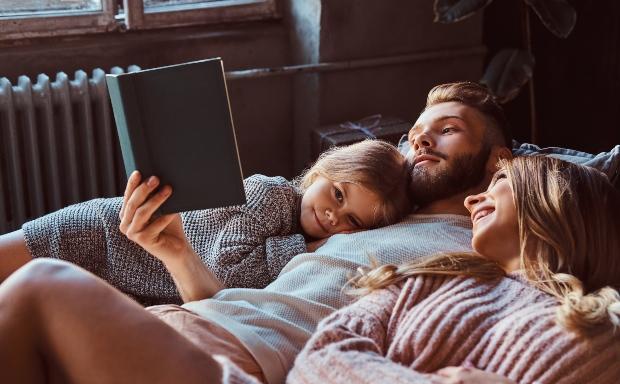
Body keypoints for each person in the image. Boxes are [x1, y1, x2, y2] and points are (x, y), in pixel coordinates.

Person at [0, 81, 523, 384]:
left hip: (236, 357)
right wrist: (177, 253)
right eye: (414, 135)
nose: (420, 143)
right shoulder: (376, 222)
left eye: (448, 130)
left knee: (40, 286)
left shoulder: (487, 240)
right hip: (195, 316)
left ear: (499, 161)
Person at [273, 156, 620, 384]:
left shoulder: (606, 329)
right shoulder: (433, 276)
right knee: (218, 372)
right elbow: (321, 356)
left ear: (553, 200)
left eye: (501, 182)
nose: (471, 201)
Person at [0, 139, 410, 304]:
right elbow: (228, 272)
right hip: (99, 234)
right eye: (337, 195)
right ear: (321, 171)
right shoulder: (270, 194)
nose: (332, 216)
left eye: (351, 220)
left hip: (132, 284)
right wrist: (306, 248)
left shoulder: (304, 235)